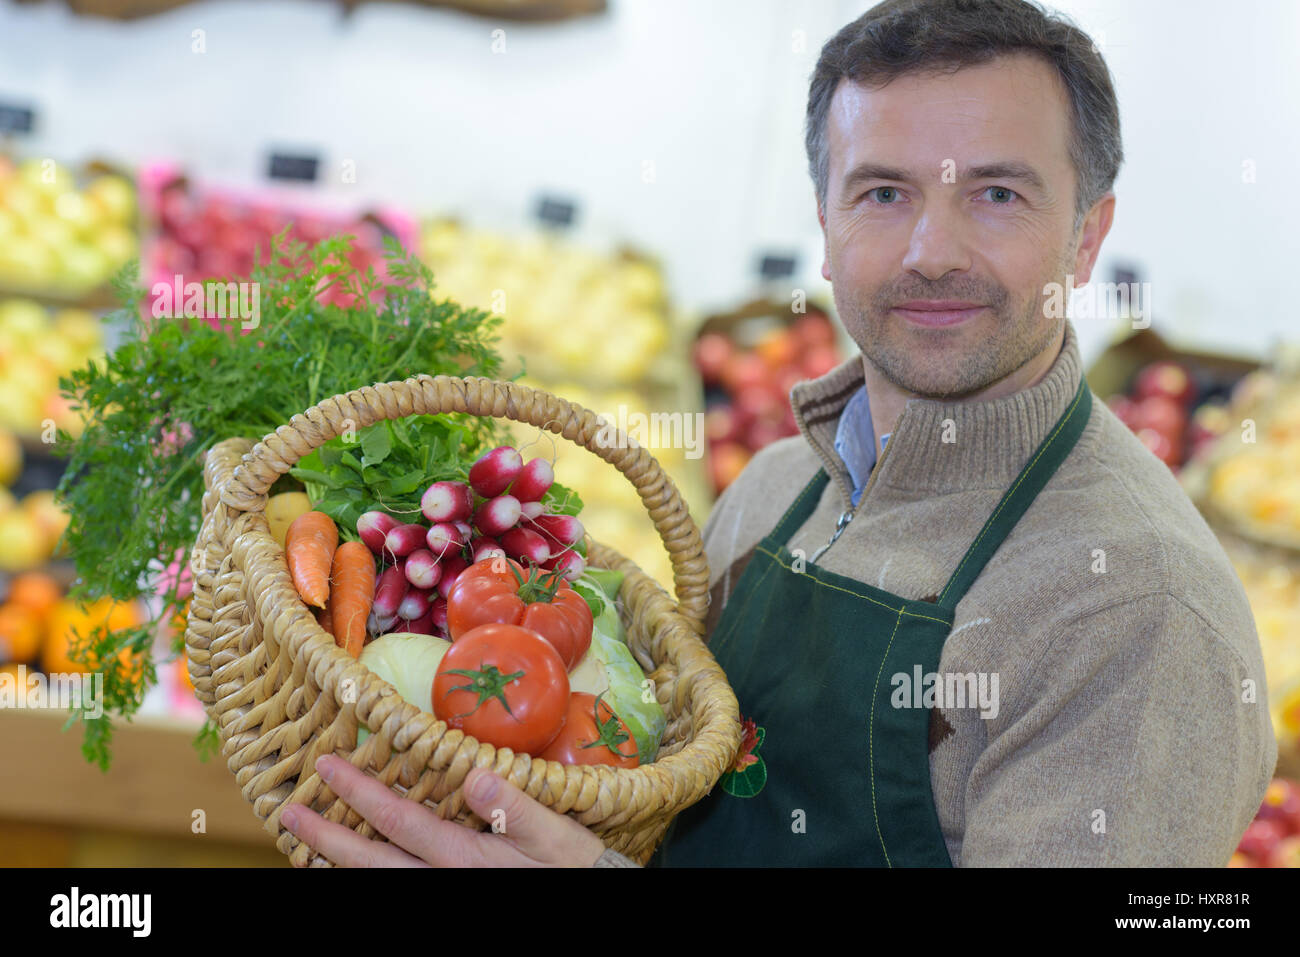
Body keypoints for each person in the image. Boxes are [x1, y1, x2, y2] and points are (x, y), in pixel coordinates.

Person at [280, 0, 1276, 867]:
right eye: (883, 193)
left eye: (997, 194)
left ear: (1087, 236)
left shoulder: (1139, 613)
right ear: (825, 224)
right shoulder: (769, 489)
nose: (932, 252)